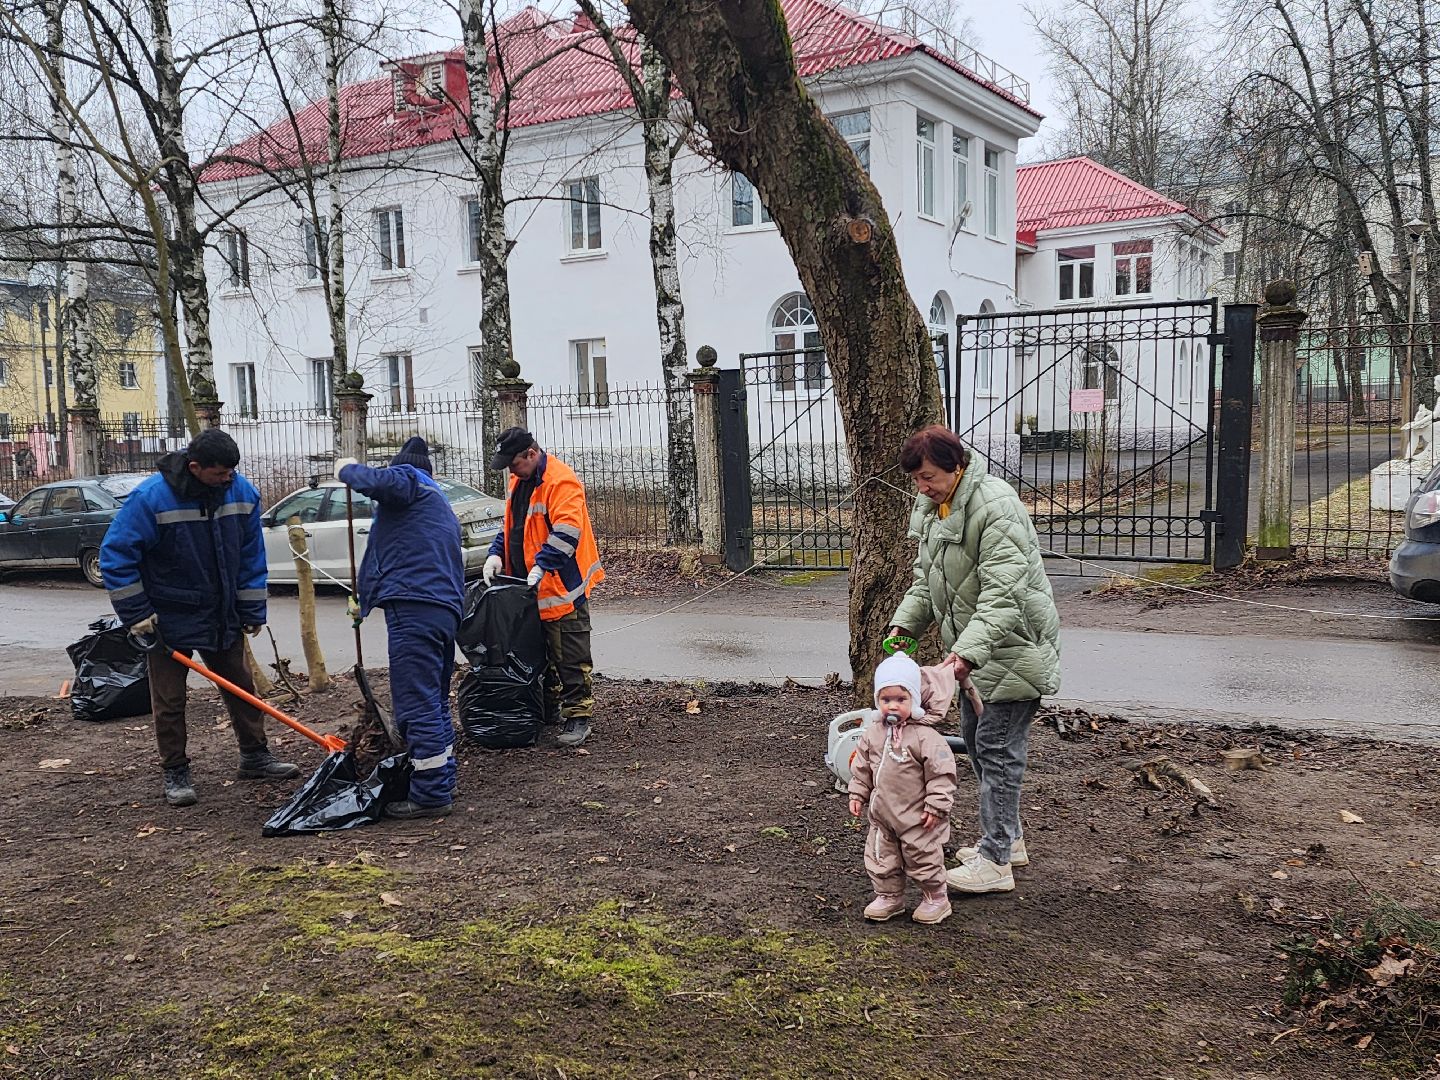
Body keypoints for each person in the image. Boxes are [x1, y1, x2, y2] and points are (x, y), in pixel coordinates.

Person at [888, 424, 1060, 896]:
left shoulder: (996, 508)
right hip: (979, 656)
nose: (921, 487)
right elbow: (928, 581)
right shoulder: (937, 507)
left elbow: (1004, 595)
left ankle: (996, 860)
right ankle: (1010, 838)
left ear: (956, 466)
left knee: (997, 753)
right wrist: (905, 626)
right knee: (975, 741)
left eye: (928, 477)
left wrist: (964, 654)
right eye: (915, 480)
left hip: (1013, 649)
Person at [100, 429, 299, 808]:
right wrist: (138, 614)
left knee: (241, 686)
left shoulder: (241, 493)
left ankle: (255, 755)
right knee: (170, 698)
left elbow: (251, 555)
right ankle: (175, 770)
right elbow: (116, 555)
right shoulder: (151, 499)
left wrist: (252, 608)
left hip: (221, 612)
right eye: (220, 473)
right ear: (195, 468)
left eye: (231, 472)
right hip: (167, 617)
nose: (228, 480)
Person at [336, 436, 464, 820]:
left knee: (416, 703)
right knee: (434, 700)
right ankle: (442, 778)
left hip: (415, 610)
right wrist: (364, 599)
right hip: (442, 611)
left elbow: (383, 482)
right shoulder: (436, 503)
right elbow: (388, 552)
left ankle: (429, 795)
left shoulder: (409, 481)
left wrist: (347, 469)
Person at [482, 426, 604, 748]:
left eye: (514, 463)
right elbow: (512, 526)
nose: (510, 470)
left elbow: (566, 533)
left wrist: (541, 565)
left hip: (562, 586)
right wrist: (496, 553)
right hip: (529, 587)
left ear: (531, 455)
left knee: (569, 654)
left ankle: (578, 717)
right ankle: (547, 710)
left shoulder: (561, 481)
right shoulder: (519, 480)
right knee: (537, 653)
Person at [848, 652, 958, 925]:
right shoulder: (873, 733)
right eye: (886, 700)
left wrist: (936, 805)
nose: (893, 706)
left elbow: (941, 775)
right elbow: (862, 767)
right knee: (880, 857)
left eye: (901, 699)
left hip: (917, 817)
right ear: (877, 701)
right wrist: (857, 792)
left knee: (923, 857)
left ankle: (935, 897)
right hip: (884, 815)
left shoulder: (925, 737)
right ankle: (889, 896)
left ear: (915, 701)